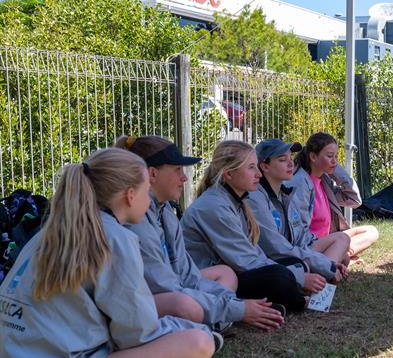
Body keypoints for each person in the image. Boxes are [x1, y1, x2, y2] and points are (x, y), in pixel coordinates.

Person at [0, 148, 223, 358]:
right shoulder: (115, 238)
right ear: (130, 195)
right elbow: (137, 334)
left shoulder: (50, 231)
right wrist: (199, 329)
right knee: (199, 343)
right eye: (146, 190)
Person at [116, 135, 284, 331]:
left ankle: (215, 319)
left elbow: (188, 276)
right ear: (152, 174)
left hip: (170, 293)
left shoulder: (166, 214)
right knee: (186, 309)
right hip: (148, 303)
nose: (184, 177)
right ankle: (211, 323)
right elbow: (168, 289)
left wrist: (234, 303)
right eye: (177, 169)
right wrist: (235, 309)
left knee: (227, 278)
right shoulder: (138, 222)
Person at [180, 140, 308, 313]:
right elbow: (244, 260)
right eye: (251, 168)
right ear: (229, 174)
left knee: (292, 266)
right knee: (280, 277)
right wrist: (298, 278)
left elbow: (253, 252)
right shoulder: (214, 206)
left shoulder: (235, 200)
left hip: (233, 269)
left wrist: (296, 272)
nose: (259, 174)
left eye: (256, 167)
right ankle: (265, 303)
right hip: (212, 278)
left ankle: (270, 302)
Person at [249, 138, 350, 286]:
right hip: (273, 261)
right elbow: (276, 248)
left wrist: (322, 262)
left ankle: (320, 275)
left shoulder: (285, 193)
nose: (291, 163)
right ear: (265, 166)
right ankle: (319, 279)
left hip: (295, 250)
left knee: (343, 249)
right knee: (308, 264)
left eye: (291, 158)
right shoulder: (257, 199)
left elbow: (300, 233)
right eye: (283, 159)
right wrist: (325, 265)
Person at [288, 132, 378, 261]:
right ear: (313, 156)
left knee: (371, 231)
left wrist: (334, 168)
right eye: (330, 156)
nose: (334, 160)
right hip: (313, 244)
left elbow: (354, 199)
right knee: (342, 239)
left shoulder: (324, 181)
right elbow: (299, 230)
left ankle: (340, 254)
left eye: (336, 156)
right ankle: (336, 257)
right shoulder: (301, 183)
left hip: (331, 239)